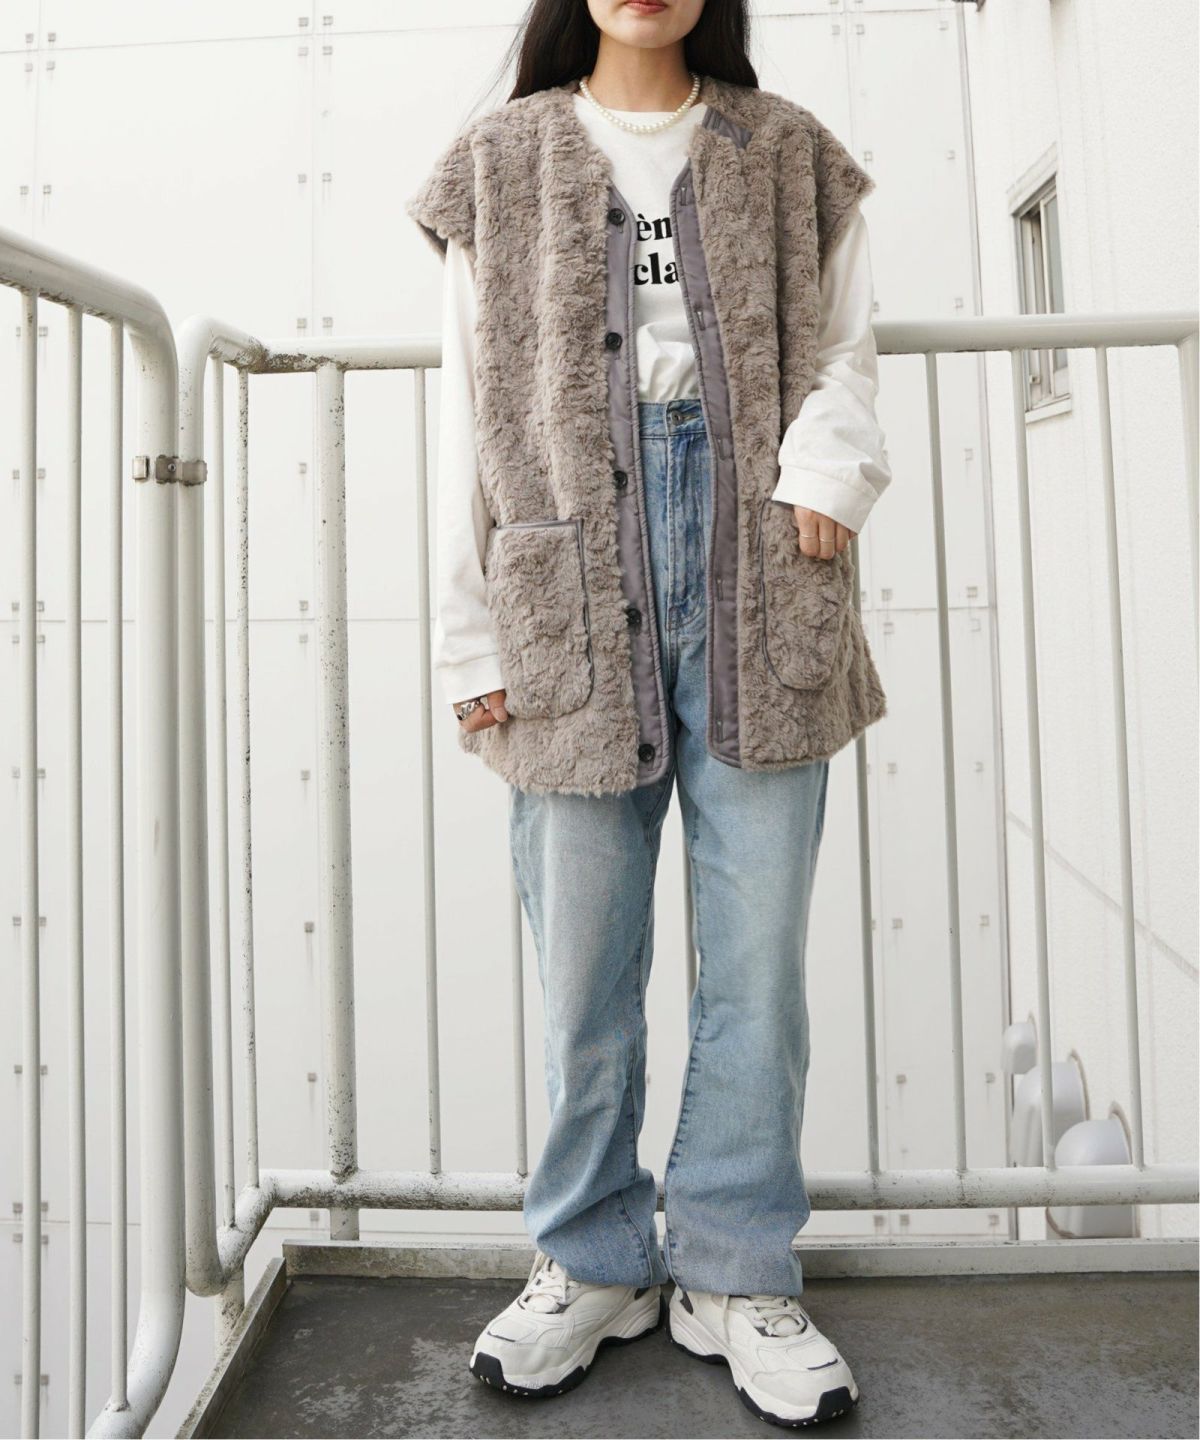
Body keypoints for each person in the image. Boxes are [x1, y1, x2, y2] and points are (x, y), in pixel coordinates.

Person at [407, 0, 891, 1427]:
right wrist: (465, 635)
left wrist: (826, 472)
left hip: (759, 570)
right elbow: (466, 411)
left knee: (758, 966)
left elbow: (846, 351)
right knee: (583, 969)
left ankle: (735, 1269)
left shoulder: (790, 151)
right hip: (564, 582)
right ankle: (592, 1258)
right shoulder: (497, 161)